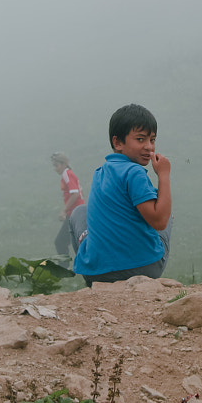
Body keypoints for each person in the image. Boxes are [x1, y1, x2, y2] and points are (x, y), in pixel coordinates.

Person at [71, 104, 172, 286]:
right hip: (143, 268)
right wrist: (163, 175)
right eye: (140, 139)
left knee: (79, 212)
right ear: (117, 143)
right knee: (167, 215)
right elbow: (159, 221)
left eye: (152, 140)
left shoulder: (100, 172)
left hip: (96, 274)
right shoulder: (135, 172)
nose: (149, 147)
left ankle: (95, 267)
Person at [50, 152, 85, 258]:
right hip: (76, 213)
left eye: (56, 165)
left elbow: (75, 194)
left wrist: (64, 210)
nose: (55, 169)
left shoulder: (67, 174)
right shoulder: (69, 174)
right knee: (76, 242)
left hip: (74, 213)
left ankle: (63, 269)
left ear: (64, 164)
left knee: (60, 242)